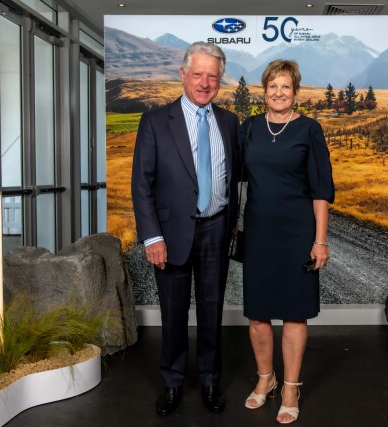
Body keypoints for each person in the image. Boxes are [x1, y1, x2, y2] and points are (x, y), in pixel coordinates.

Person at [131, 42, 239, 416]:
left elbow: (234, 177)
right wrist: (152, 236)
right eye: (198, 74)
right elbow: (142, 184)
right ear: (183, 75)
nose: (205, 83)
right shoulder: (155, 121)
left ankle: (210, 381)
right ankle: (173, 383)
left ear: (220, 80)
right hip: (170, 234)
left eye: (212, 76)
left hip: (216, 229)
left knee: (212, 310)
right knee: (173, 313)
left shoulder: (229, 122)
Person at [239, 59, 335, 424]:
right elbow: (229, 173)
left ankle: (291, 387)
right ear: (264, 91)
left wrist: (320, 241)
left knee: (295, 312)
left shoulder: (309, 129)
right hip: (258, 233)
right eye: (272, 86)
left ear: (295, 92)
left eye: (285, 86)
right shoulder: (249, 128)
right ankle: (266, 378)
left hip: (297, 235)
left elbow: (321, 190)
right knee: (257, 314)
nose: (278, 93)